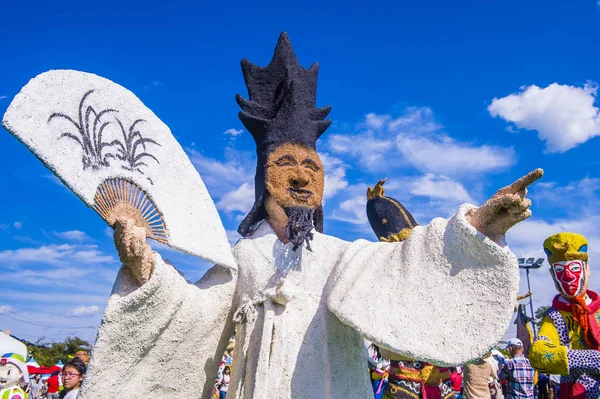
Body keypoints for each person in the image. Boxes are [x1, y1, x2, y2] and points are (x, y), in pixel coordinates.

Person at [74, 33, 542, 398]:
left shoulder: (342, 256)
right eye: (286, 165)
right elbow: (191, 316)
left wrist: (480, 226)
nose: (301, 177)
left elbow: (410, 267)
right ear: (262, 179)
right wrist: (146, 268)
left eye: (312, 167)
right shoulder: (240, 259)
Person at [529, 233, 600, 399]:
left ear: (587, 270)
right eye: (559, 270)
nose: (568, 276)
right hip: (575, 392)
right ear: (553, 275)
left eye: (574, 268)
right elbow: (538, 353)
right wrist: (591, 359)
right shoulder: (555, 316)